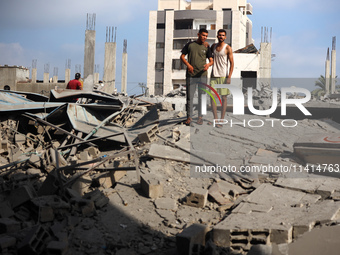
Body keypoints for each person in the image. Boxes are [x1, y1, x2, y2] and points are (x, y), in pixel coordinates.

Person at [180, 28, 213, 126]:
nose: (204, 37)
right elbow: (182, 56)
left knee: (202, 96)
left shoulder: (207, 47)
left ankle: (200, 117)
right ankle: (188, 118)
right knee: (190, 97)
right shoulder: (190, 45)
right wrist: (188, 65)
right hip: (191, 75)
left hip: (202, 75)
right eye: (203, 35)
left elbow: (211, 60)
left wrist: (208, 65)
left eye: (206, 36)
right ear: (198, 34)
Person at [209, 29, 234, 128]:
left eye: (223, 35)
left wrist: (229, 77)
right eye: (219, 35)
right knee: (212, 97)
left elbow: (232, 63)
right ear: (217, 36)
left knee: (224, 98)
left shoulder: (227, 48)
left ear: (225, 37)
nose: (221, 37)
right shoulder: (213, 46)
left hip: (223, 75)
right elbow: (209, 54)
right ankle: (216, 119)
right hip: (214, 75)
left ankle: (222, 119)